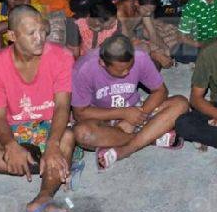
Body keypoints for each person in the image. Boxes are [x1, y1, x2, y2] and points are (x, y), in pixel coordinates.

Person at [0, 6, 78, 212]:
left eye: (42, 31)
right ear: (12, 36)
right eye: (31, 33)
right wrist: (10, 145)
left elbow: (62, 105)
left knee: (66, 137)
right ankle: (60, 166)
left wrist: (53, 144)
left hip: (51, 127)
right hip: (15, 129)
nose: (40, 38)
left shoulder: (61, 56)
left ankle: (43, 197)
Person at [71, 35, 188, 169]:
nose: (127, 72)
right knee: (82, 134)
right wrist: (123, 113)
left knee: (181, 104)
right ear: (102, 63)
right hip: (103, 119)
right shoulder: (83, 69)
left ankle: (127, 148)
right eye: (121, 70)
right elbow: (80, 113)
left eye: (130, 66)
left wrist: (137, 116)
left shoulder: (140, 57)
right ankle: (151, 138)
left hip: (138, 109)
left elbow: (161, 91)